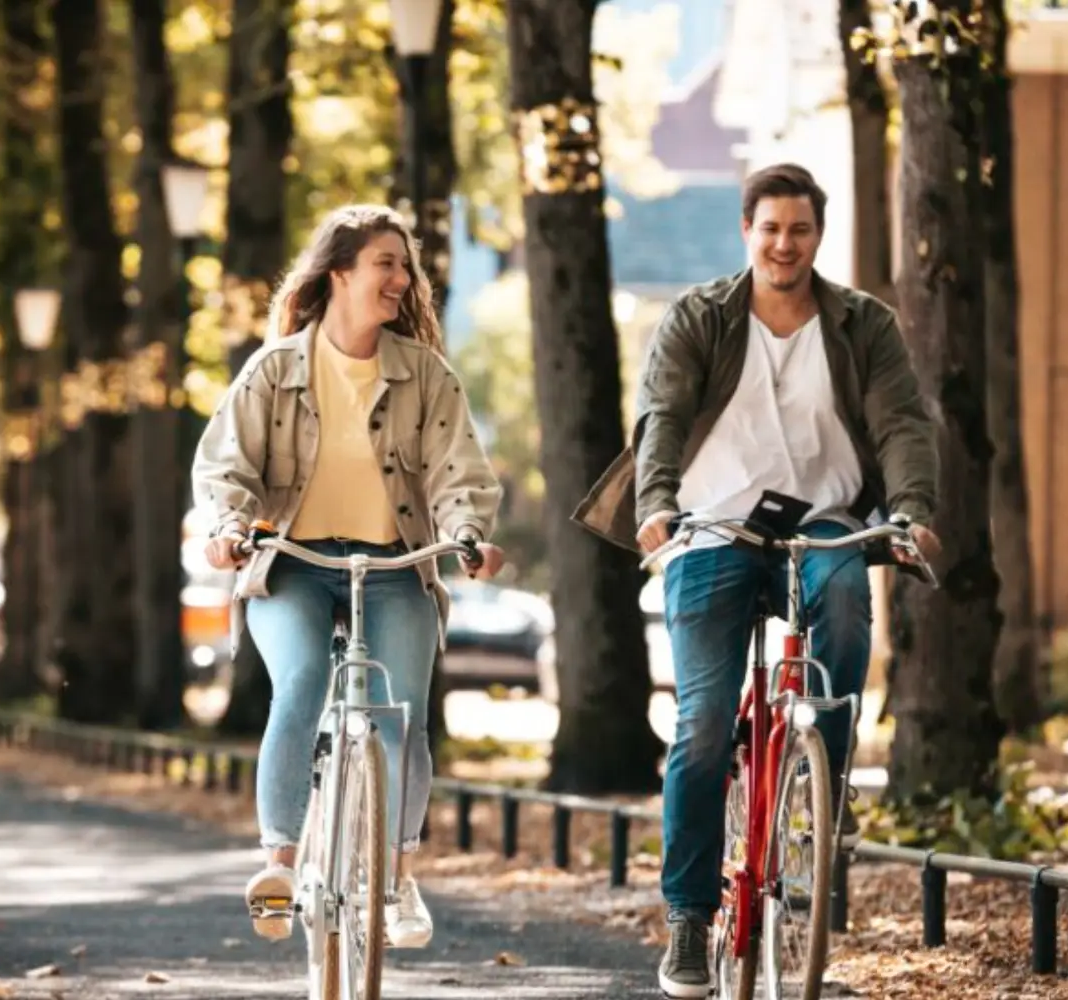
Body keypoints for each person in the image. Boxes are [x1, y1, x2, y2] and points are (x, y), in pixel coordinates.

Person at [572, 163, 942, 998]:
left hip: (823, 522)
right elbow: (662, 415)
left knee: (845, 601)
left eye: (800, 230)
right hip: (712, 526)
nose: (785, 244)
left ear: (818, 235)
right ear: (747, 231)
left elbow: (900, 424)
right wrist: (657, 504)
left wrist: (913, 509)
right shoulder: (700, 317)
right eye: (770, 228)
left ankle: (820, 780)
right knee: (702, 724)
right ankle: (688, 919)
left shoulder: (862, 326)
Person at [193, 203, 505, 951]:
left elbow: (459, 470)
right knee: (300, 682)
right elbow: (224, 466)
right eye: (385, 264)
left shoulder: (426, 376)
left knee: (400, 712)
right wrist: (228, 529)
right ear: (339, 273)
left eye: (406, 265)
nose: (401, 279)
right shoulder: (274, 370)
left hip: (395, 563)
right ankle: (279, 863)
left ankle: (396, 880)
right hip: (294, 563)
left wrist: (466, 534)